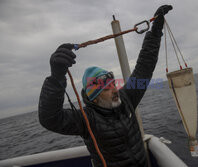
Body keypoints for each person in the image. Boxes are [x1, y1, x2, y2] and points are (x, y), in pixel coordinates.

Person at [39, 5, 172, 167]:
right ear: (94, 98)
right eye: (106, 88)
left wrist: (156, 31)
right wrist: (56, 77)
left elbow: (145, 66)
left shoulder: (126, 99)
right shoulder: (87, 119)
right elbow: (50, 119)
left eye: (113, 84)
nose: (114, 90)